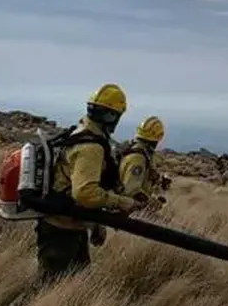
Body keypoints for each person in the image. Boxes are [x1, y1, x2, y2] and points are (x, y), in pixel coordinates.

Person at [34, 83, 138, 284]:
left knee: (73, 286)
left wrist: (94, 225)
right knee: (50, 289)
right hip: (61, 230)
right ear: (112, 116)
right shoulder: (91, 147)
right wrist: (122, 203)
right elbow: (85, 193)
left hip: (69, 225)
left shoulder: (81, 132)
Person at [119, 115, 169, 212]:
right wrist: (153, 203)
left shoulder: (137, 151)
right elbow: (132, 190)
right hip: (122, 212)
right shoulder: (138, 158)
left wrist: (157, 179)